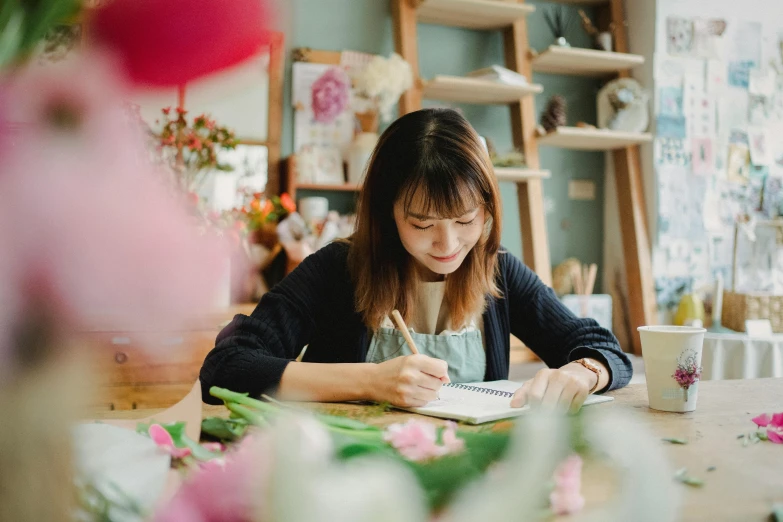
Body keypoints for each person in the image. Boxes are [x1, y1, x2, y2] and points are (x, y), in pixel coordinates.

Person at [200, 108, 632, 412]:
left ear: (488, 209)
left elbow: (605, 349)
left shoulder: (495, 269)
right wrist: (369, 382)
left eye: (465, 220)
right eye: (422, 224)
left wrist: (582, 373)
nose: (447, 244)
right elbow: (225, 368)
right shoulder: (338, 269)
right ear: (388, 213)